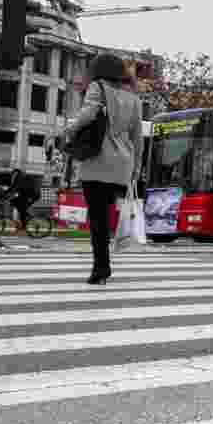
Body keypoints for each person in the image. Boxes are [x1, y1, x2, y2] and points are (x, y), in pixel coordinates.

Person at [56, 53, 145, 285]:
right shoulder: (133, 99)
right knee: (105, 214)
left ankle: (101, 269)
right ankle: (103, 264)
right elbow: (138, 138)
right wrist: (136, 169)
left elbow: (87, 114)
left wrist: (67, 131)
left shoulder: (97, 87)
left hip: (98, 162)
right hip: (123, 166)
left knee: (97, 218)